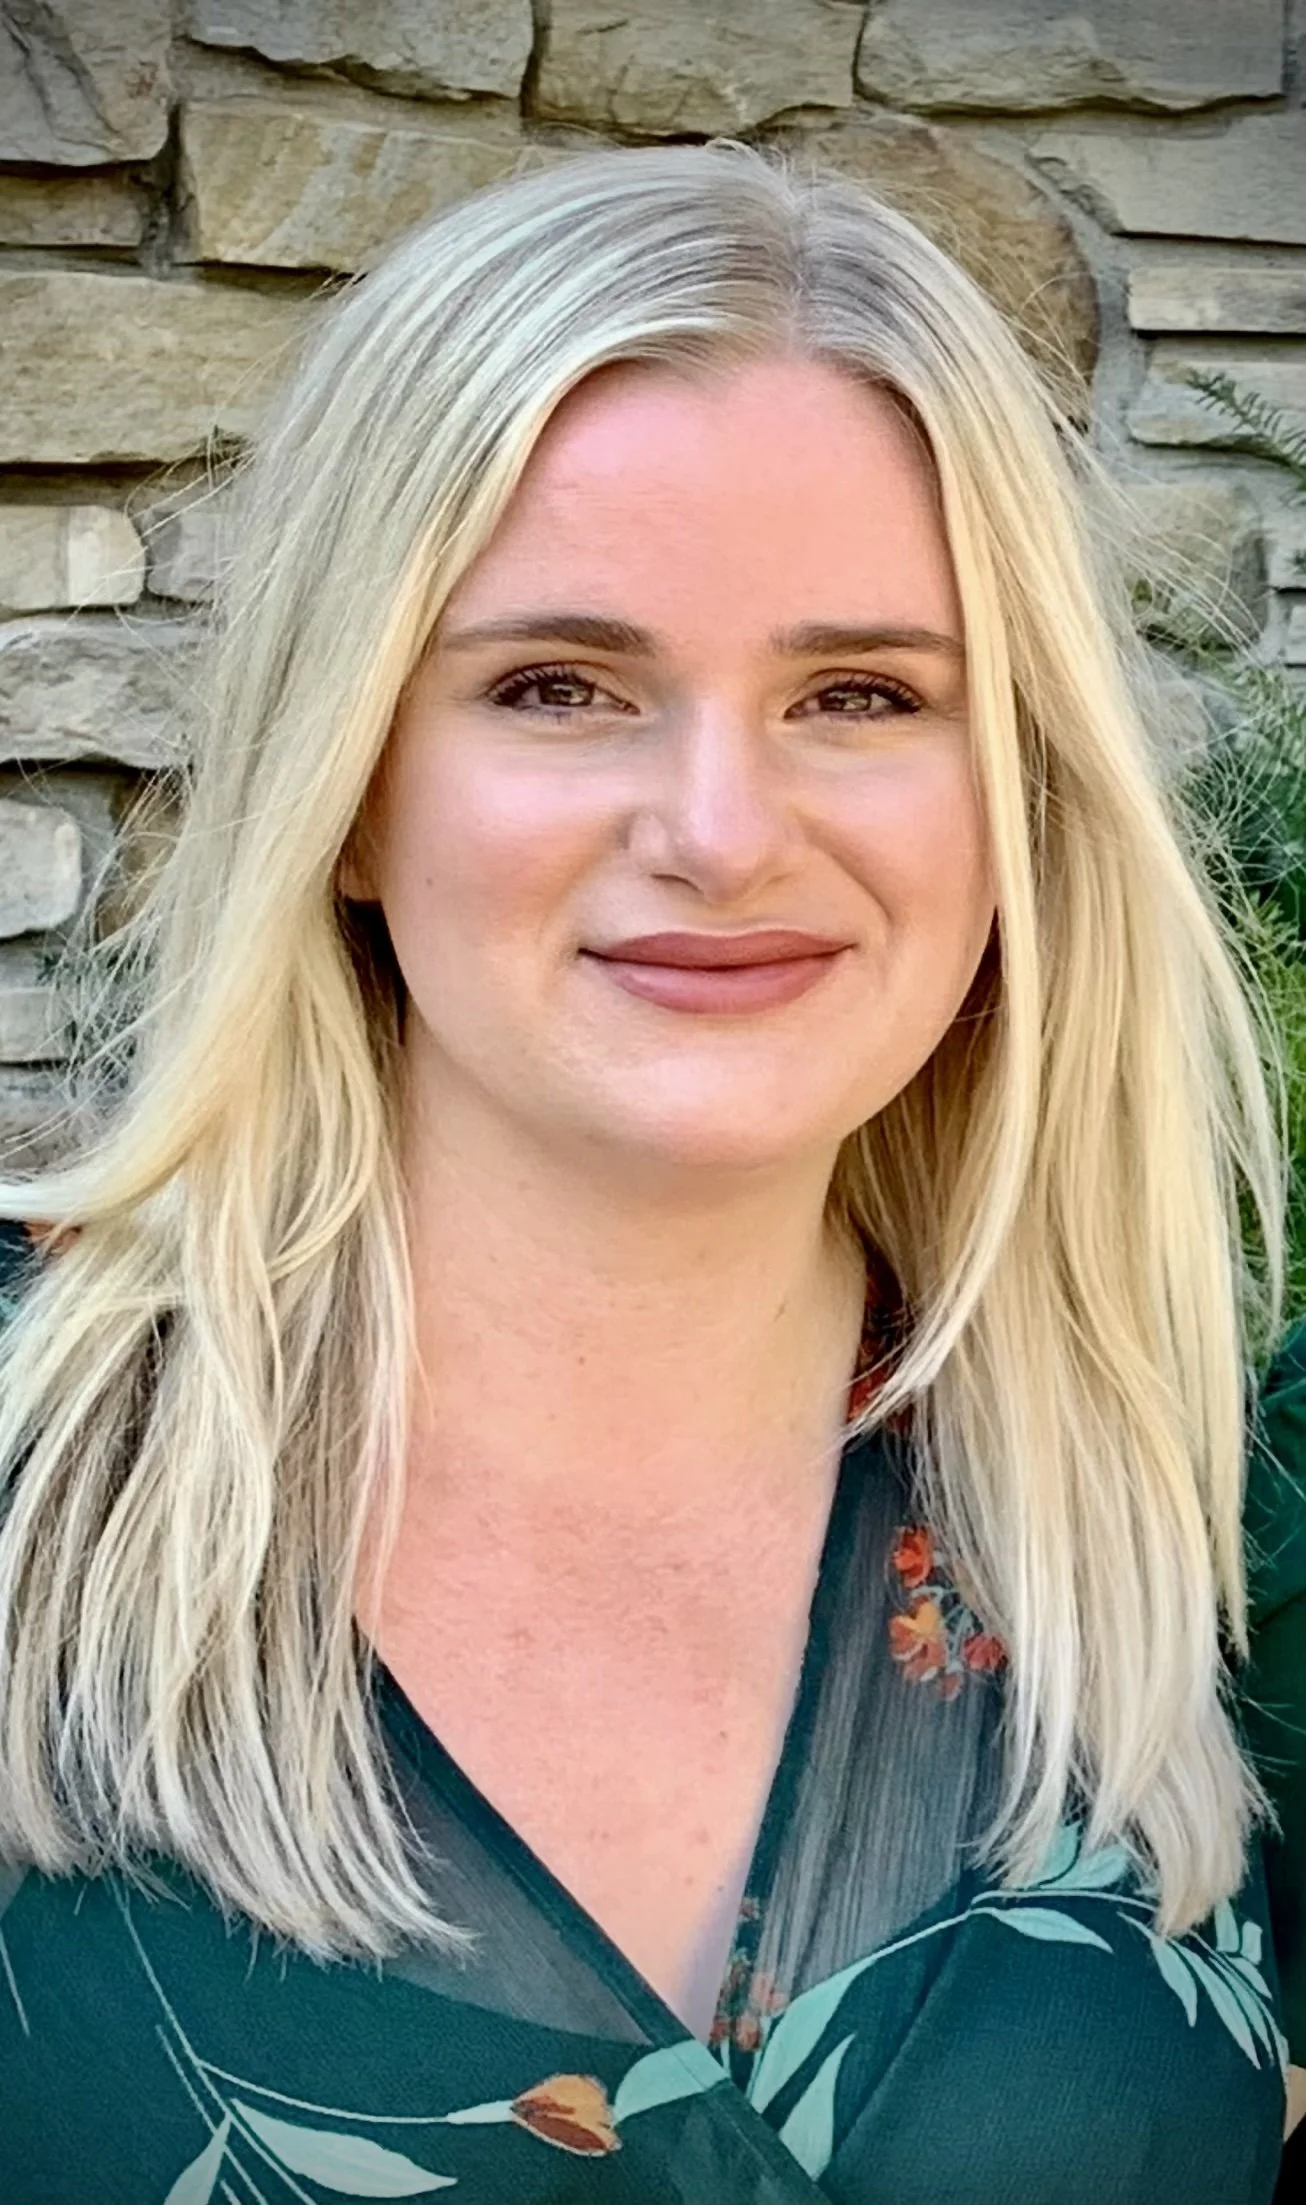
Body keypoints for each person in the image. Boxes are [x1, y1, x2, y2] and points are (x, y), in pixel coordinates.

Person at [0, 138, 1302, 2205]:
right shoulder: (29, 1478)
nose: (717, 825)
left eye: (858, 692)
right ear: (345, 780)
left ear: (1014, 797)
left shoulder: (1206, 1532)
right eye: (556, 685)